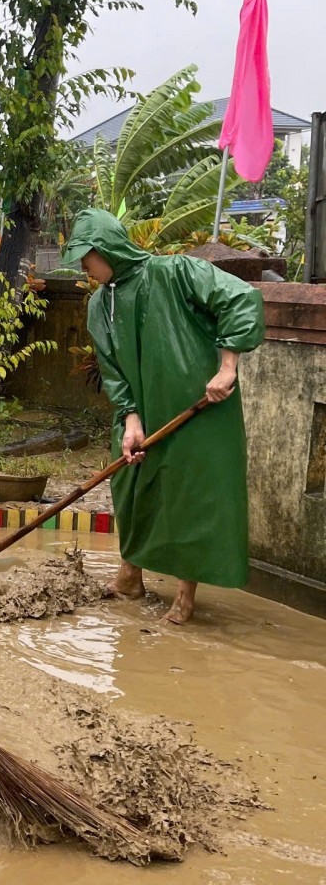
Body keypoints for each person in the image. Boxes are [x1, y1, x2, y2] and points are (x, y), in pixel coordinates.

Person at [63, 208, 265, 625]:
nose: (85, 268)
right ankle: (130, 575)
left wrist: (228, 367)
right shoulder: (100, 304)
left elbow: (240, 298)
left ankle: (185, 596)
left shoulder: (175, 273)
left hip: (198, 406)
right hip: (141, 412)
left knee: (188, 494)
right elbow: (113, 369)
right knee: (130, 484)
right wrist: (131, 418)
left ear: (107, 248)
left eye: (87, 258)